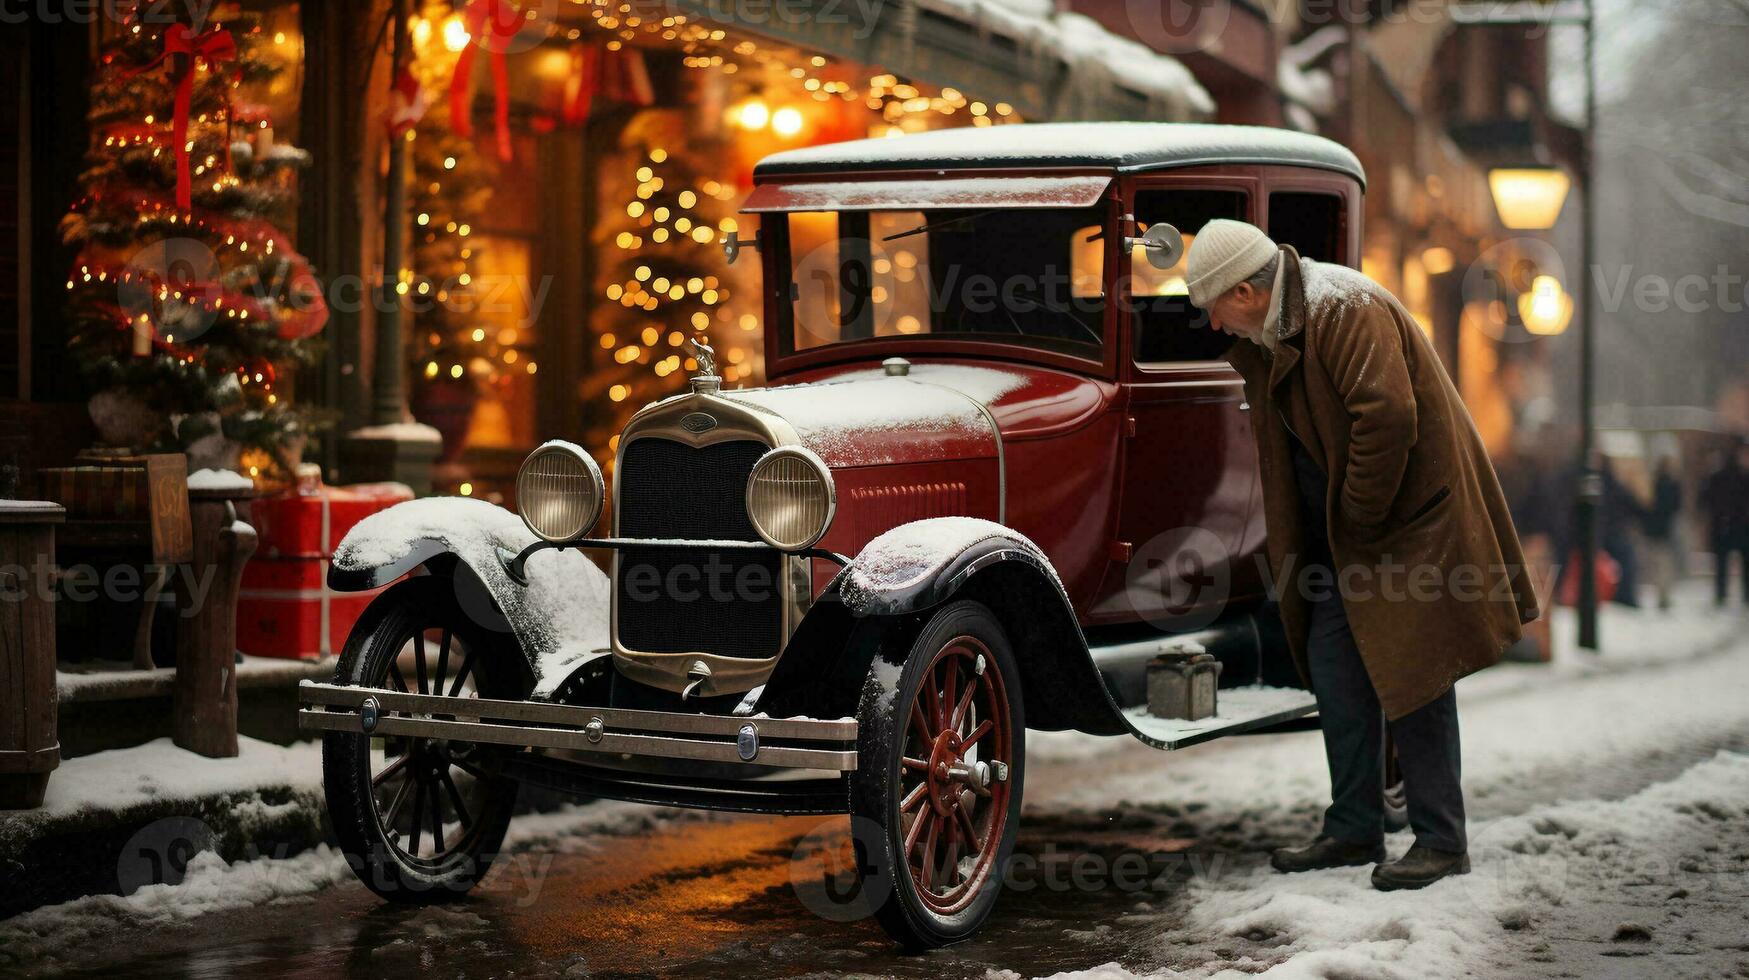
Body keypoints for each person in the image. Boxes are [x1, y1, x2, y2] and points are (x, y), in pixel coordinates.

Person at [1182, 220, 1538, 891]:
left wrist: (1358, 516)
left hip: (1399, 528)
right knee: (1335, 671)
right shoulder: (1283, 324)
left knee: (1415, 675)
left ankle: (1440, 841)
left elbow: (1387, 418)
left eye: (1213, 304)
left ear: (1249, 291)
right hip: (1351, 538)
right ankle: (1353, 827)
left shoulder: (1343, 307)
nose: (1211, 321)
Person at [1700, 441, 1749, 607]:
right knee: (1722, 564)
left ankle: (1745, 595)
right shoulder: (1721, 475)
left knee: (1745, 562)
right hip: (1724, 526)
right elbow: (1705, 498)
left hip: (1742, 528)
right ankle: (1721, 595)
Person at [1640, 457, 1684, 611]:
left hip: (1656, 530)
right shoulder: (1669, 485)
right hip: (1663, 531)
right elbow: (1676, 506)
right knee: (1663, 565)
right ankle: (1663, 595)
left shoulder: (1653, 485)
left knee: (1659, 565)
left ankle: (1662, 595)